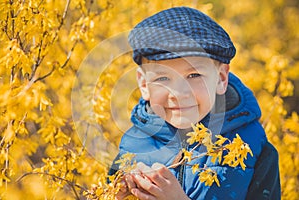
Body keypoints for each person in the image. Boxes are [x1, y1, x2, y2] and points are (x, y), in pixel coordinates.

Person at [109, 6, 280, 200]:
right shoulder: (132, 148)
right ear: (144, 84)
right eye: (163, 78)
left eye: (194, 75)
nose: (179, 93)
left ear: (221, 78)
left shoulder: (254, 151)